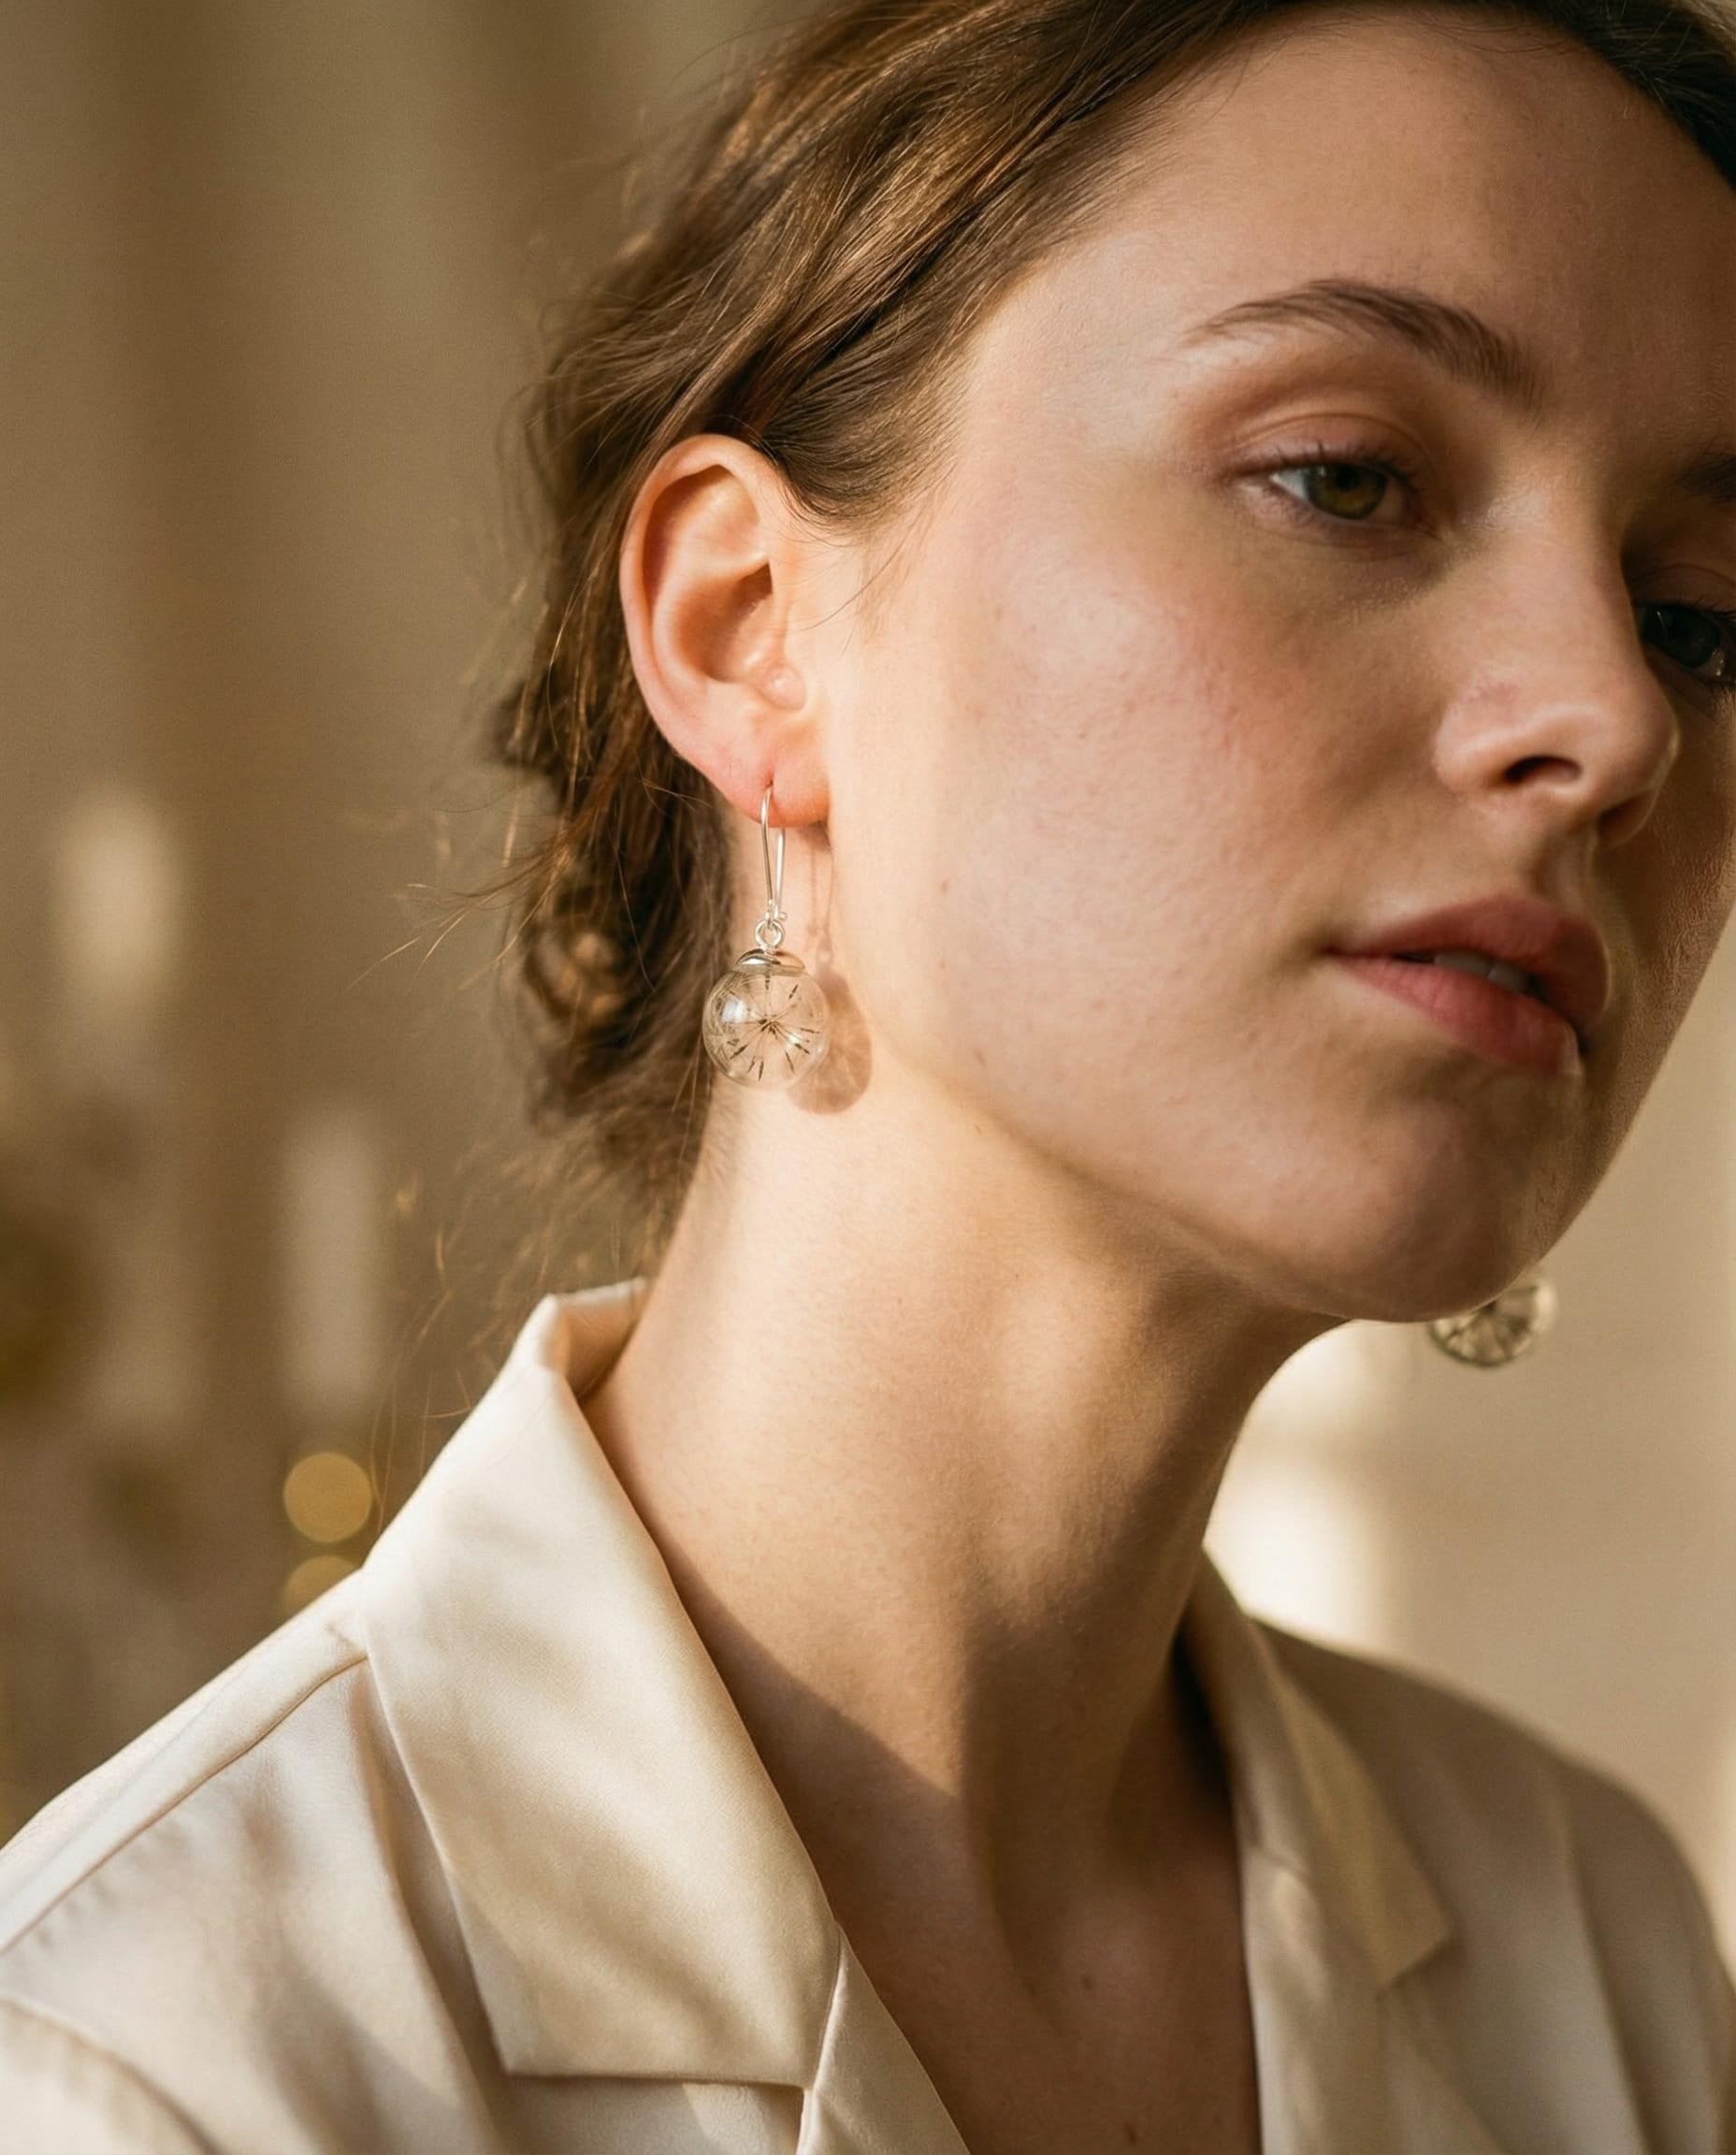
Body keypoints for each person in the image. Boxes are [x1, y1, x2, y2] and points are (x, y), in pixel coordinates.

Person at [6, 0, 1736, 2147]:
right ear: (749, 625)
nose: (1614, 717)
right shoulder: (147, 2068)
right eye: (1345, 480)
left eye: (1699, 617)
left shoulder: (1593, 1955)